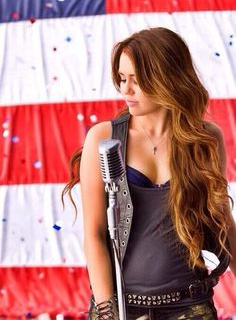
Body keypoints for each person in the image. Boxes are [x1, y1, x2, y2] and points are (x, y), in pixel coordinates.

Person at [63, 27, 236, 320]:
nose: (125, 90)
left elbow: (222, 223)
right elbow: (94, 234)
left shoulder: (205, 139)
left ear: (168, 78)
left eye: (137, 80)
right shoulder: (103, 138)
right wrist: (106, 312)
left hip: (190, 306)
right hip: (121, 308)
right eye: (121, 78)